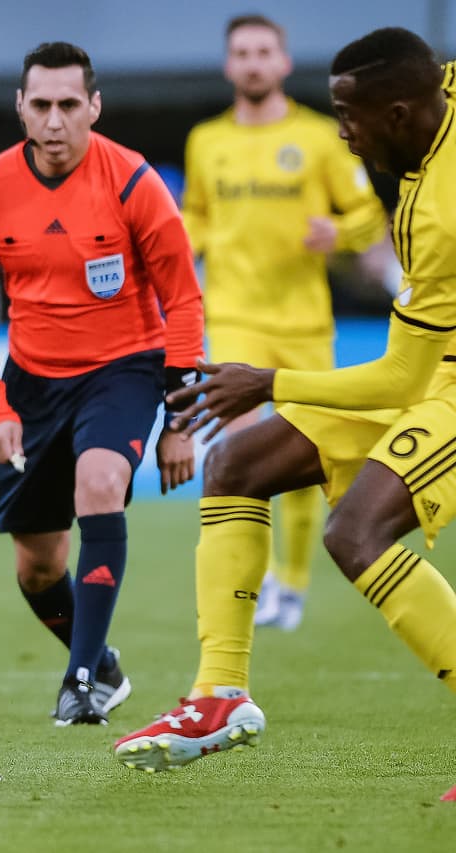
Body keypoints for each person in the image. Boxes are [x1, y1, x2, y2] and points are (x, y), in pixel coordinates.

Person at [114, 27, 456, 774]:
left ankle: (288, 597)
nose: (340, 132)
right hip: (424, 360)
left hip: (440, 378)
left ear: (397, 114)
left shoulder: (435, 217)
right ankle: (219, 693)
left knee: (355, 532)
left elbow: (400, 381)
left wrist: (269, 384)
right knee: (235, 461)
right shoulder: (439, 99)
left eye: (350, 118)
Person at [0, 42, 204, 726]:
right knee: (38, 566)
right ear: (20, 107)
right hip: (32, 381)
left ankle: (81, 680)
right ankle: (103, 662)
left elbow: (183, 300)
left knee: (99, 483)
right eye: (41, 105)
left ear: (94, 106)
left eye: (69, 104)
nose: (55, 120)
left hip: (124, 367)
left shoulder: (132, 182)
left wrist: (180, 420)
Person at [182, 14, 388, 631]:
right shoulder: (206, 141)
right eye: (241, 52)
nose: (251, 62)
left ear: (281, 61)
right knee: (246, 446)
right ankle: (259, 582)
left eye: (262, 51)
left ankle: (292, 586)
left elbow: (368, 216)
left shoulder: (321, 137)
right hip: (235, 315)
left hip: (304, 323)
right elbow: (195, 214)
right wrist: (179, 253)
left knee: (306, 455)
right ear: (228, 64)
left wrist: (340, 232)